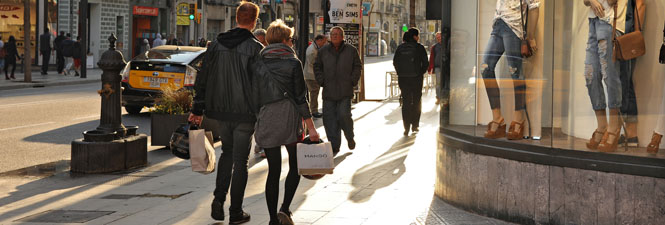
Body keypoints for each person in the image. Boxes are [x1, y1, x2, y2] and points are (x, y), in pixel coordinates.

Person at [188, 1, 263, 224]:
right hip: (245, 113)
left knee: (227, 154)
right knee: (241, 162)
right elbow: (260, 85)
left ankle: (218, 199)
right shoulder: (255, 48)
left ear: (237, 18)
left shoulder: (216, 44)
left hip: (220, 111)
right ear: (254, 21)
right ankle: (236, 211)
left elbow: (202, 77)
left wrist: (197, 109)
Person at [254, 19, 320, 225]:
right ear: (284, 40)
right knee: (295, 164)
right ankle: (285, 209)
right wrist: (311, 127)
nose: (292, 42)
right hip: (290, 118)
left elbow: (253, 95)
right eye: (291, 39)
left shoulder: (258, 62)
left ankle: (273, 219)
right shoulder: (293, 62)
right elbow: (301, 97)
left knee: (273, 170)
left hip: (267, 117)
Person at [480, 0, 540, 140]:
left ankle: (518, 119)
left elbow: (534, 7)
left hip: (514, 28)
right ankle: (498, 118)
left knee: (516, 73)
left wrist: (530, 37)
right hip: (498, 24)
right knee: (486, 68)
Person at [583, 0, 627, 152]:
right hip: (594, 21)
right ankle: (602, 125)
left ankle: (614, 127)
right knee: (590, 75)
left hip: (610, 23)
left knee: (610, 75)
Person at [314, 26, 362, 154]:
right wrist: (321, 80)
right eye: (332, 34)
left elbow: (357, 66)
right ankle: (334, 145)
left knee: (344, 115)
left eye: (337, 34)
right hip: (329, 91)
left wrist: (353, 80)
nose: (334, 36)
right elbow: (317, 66)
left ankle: (350, 137)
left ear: (342, 37)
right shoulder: (323, 51)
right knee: (329, 119)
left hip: (345, 91)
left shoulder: (351, 50)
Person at [393, 28, 429, 136]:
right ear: (414, 37)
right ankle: (415, 125)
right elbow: (425, 63)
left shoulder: (400, 48)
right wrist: (420, 73)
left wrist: (400, 73)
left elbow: (395, 62)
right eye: (417, 36)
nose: (418, 38)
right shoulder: (419, 48)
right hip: (416, 78)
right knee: (417, 101)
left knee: (406, 102)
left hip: (403, 79)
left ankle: (406, 127)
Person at [305, 34, 327, 118]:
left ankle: (314, 110)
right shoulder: (312, 50)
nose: (324, 44)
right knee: (314, 92)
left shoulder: (315, 48)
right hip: (311, 75)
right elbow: (314, 63)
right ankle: (314, 110)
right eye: (323, 42)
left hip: (313, 75)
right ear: (319, 40)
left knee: (315, 92)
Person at [428, 32, 444, 104]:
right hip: (438, 68)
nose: (438, 38)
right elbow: (431, 58)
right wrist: (430, 69)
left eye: (439, 37)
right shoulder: (434, 47)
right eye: (437, 37)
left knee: (445, 83)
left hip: (446, 67)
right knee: (438, 84)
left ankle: (444, 98)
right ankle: (438, 98)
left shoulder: (447, 45)